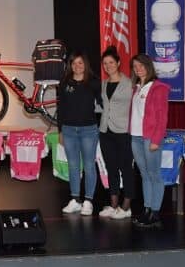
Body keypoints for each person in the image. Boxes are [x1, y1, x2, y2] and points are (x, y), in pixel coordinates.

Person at [58, 51, 102, 216]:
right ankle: (75, 200)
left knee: (89, 165)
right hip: (68, 130)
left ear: (85, 65)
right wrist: (60, 130)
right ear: (70, 65)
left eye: (80, 63)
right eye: (74, 63)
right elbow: (61, 109)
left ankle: (88, 201)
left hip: (88, 130)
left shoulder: (94, 82)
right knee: (73, 166)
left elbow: (104, 104)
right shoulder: (65, 83)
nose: (77, 66)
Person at [129, 53, 170, 229]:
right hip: (136, 137)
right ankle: (147, 210)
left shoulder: (158, 88)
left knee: (154, 175)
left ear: (148, 66)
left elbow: (162, 117)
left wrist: (156, 139)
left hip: (150, 138)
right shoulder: (137, 88)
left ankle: (155, 213)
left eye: (141, 65)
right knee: (144, 174)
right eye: (135, 66)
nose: (138, 69)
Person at [97, 46, 135, 220]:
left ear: (118, 63)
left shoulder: (130, 84)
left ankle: (126, 207)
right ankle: (113, 205)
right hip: (105, 131)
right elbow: (103, 106)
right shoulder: (104, 84)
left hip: (123, 132)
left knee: (126, 169)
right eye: (105, 63)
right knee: (111, 168)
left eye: (111, 62)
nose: (108, 66)